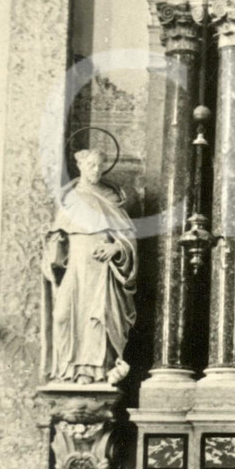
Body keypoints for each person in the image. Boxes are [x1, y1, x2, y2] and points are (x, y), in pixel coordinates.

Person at [43, 148, 137, 384]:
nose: (96, 170)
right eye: (91, 165)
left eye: (100, 166)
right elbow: (58, 240)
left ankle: (93, 372)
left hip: (101, 270)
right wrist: (56, 243)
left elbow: (129, 238)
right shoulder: (69, 198)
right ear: (80, 166)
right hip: (75, 267)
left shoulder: (111, 197)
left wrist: (115, 248)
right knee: (62, 315)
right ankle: (67, 370)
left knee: (98, 319)